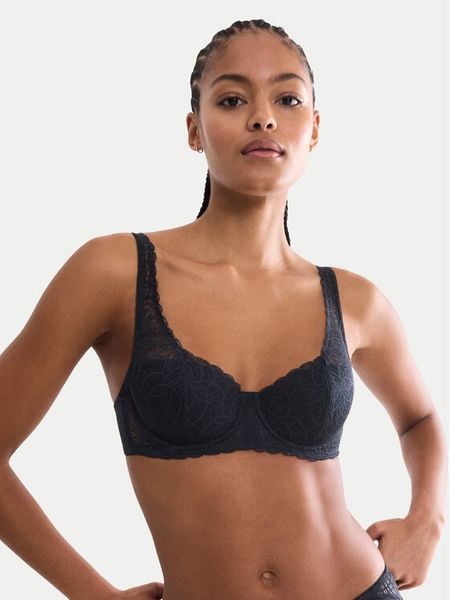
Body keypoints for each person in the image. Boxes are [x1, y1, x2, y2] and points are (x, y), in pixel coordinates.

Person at [0, 17, 447, 600]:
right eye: (233, 99)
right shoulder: (115, 272)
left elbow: (421, 419)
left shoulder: (354, 299)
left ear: (314, 129)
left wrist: (427, 518)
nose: (263, 117)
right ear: (194, 130)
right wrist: (92, 594)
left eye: (287, 99)